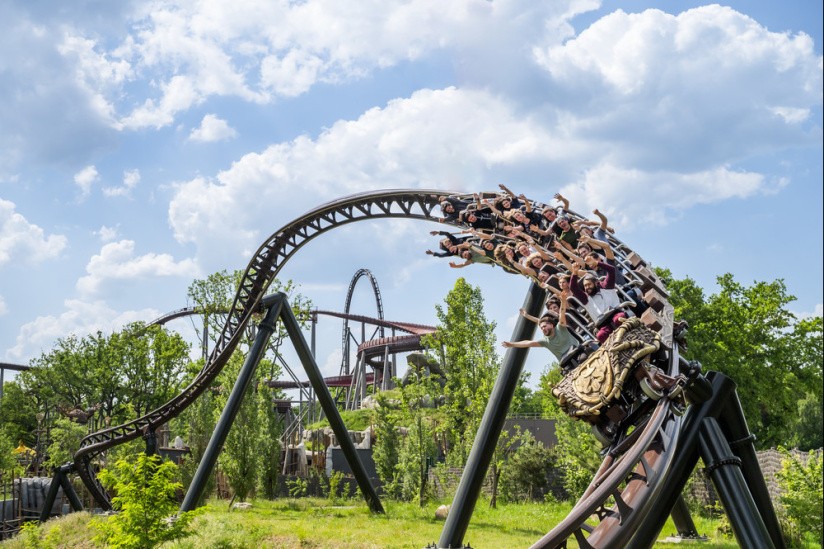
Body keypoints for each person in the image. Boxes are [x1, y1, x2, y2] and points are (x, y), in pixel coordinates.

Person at [501, 299, 577, 360]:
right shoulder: (545, 341)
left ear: (551, 325)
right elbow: (527, 343)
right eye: (541, 328)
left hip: (576, 351)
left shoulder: (560, 328)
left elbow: (562, 312)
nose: (543, 329)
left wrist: (563, 300)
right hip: (567, 362)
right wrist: (511, 344)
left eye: (544, 326)